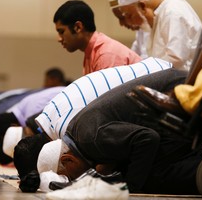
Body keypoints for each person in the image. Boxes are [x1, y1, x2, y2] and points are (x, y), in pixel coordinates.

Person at [37, 67, 202, 195]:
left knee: (153, 177)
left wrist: (130, 189)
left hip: (181, 95)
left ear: (68, 160)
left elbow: (148, 139)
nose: (74, 180)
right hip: (177, 89)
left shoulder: (92, 139)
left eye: (70, 176)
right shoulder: (77, 131)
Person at [13, 57, 172, 180]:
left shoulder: (70, 128)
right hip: (157, 71)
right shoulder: (48, 117)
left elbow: (114, 142)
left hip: (163, 86)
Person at [107, 0, 202, 71]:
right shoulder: (158, 16)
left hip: (186, 82)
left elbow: (176, 59)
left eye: (129, 16)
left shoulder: (173, 13)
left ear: (142, 6)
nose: (129, 22)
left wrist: (143, 71)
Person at [53, 0, 142, 75]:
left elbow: (109, 95)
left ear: (78, 27)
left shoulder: (106, 54)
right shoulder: (92, 52)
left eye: (61, 32)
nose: (59, 39)